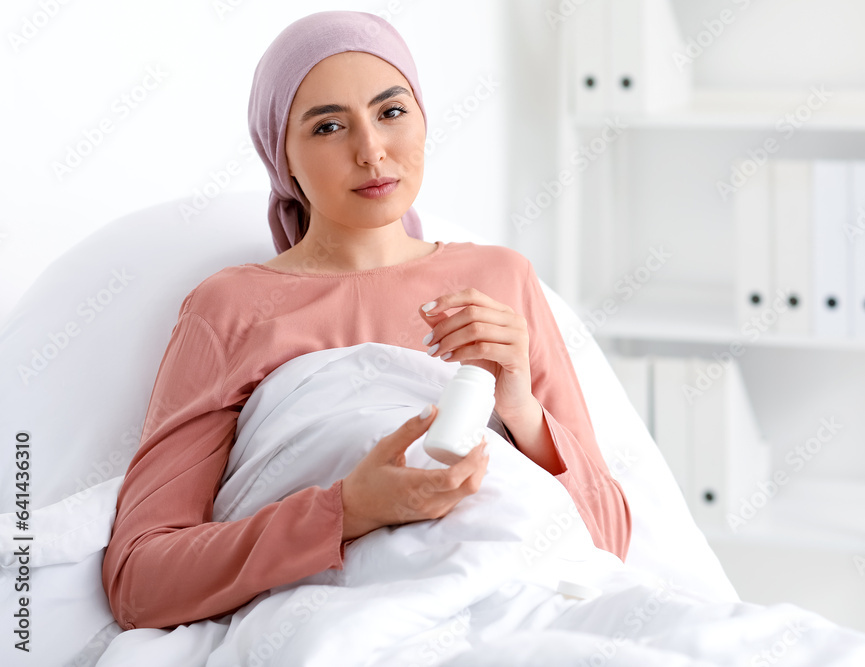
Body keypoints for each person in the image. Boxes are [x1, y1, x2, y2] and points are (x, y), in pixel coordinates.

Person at [101, 10, 631, 632]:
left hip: (513, 609)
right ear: (284, 160)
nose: (371, 150)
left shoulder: (499, 280)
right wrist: (346, 510)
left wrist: (521, 408)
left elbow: (610, 539)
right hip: (342, 621)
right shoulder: (229, 308)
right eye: (328, 126)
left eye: (392, 111)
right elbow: (140, 582)